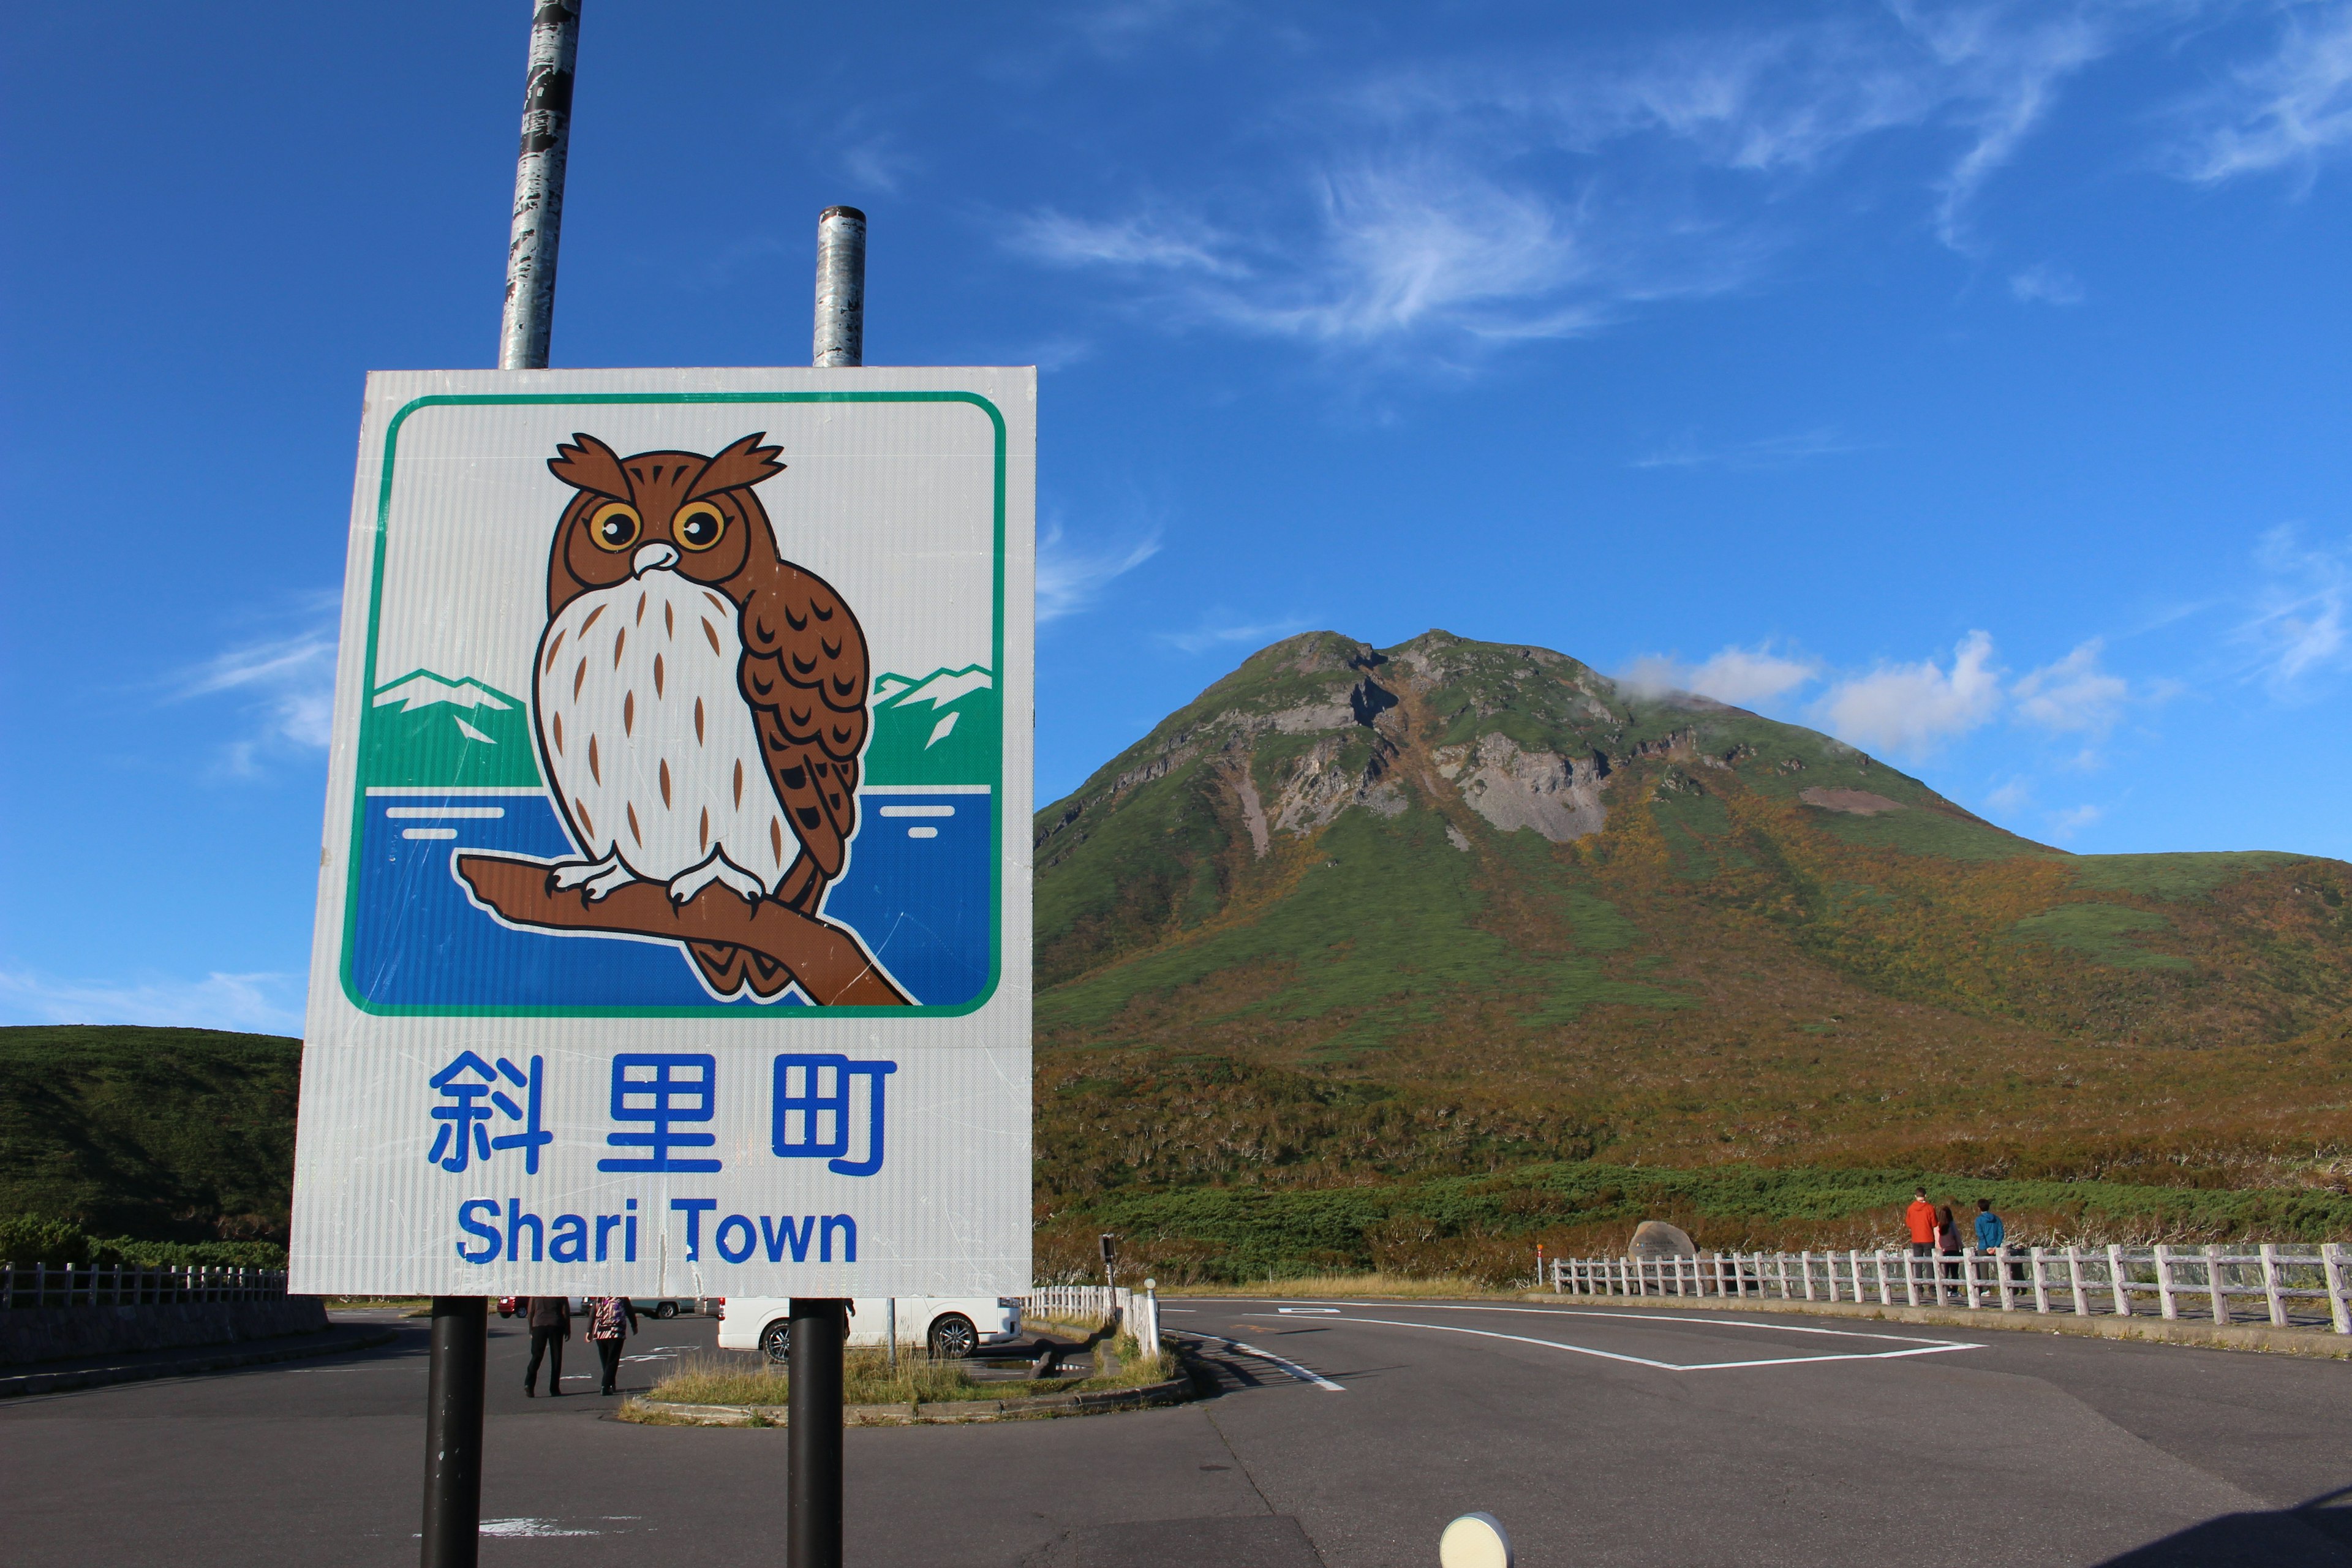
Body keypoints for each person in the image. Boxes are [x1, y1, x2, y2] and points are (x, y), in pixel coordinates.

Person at [585, 1295, 639, 1396]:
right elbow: (630, 1311)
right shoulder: (622, 1298)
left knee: (605, 1360)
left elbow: (593, 1313)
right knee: (613, 1360)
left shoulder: (600, 1298)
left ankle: (611, 1384)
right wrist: (634, 1325)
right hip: (616, 1331)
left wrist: (589, 1331)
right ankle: (605, 1386)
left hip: (600, 1332)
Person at [523, 1295, 570, 1397]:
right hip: (556, 1323)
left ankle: (529, 1384)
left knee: (536, 1355)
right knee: (556, 1358)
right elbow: (565, 1310)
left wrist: (531, 1329)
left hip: (539, 1324)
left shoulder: (537, 1292)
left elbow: (531, 1311)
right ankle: (554, 1388)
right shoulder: (560, 1292)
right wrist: (567, 1329)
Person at [1904, 1188, 1936, 1295]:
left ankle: (1919, 1288)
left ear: (1915, 1196)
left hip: (1916, 1239)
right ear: (1926, 1196)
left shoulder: (1911, 1208)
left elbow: (1908, 1223)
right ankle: (1932, 1288)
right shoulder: (1929, 1208)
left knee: (1918, 1264)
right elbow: (1934, 1223)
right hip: (1928, 1238)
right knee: (1929, 1263)